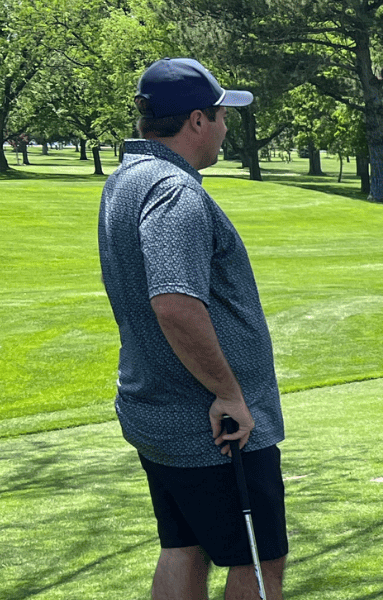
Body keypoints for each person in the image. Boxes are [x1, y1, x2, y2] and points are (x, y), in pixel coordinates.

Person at [98, 58, 287, 600]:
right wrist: (229, 393)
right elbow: (175, 304)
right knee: (258, 559)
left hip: (159, 411)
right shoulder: (173, 190)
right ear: (198, 121)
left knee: (183, 545)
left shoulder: (127, 179)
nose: (227, 128)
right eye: (223, 116)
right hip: (215, 427)